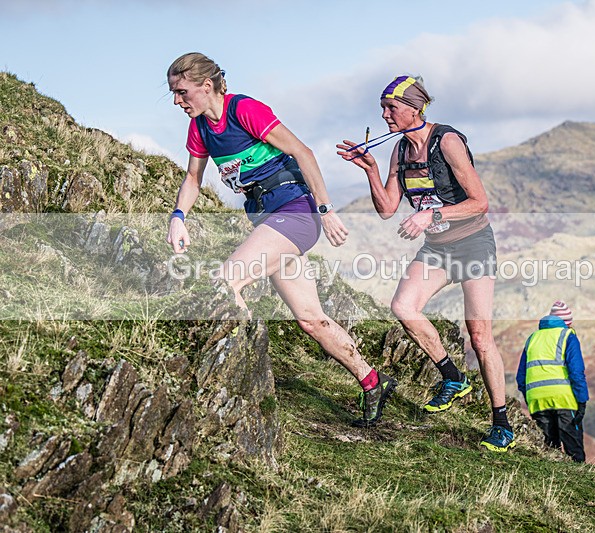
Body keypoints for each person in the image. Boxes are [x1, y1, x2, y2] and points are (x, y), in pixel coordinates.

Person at [165, 52, 396, 428]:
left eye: (181, 92)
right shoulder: (199, 128)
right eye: (174, 94)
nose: (177, 101)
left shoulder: (244, 110)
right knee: (311, 320)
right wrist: (178, 217)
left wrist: (326, 209)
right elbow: (193, 178)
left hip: (296, 211)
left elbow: (302, 152)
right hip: (268, 219)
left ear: (206, 86)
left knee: (225, 283)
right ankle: (373, 381)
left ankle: (238, 382)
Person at [336, 75, 515, 452]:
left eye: (391, 107)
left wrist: (429, 215)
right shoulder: (399, 151)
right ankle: (453, 377)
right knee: (403, 306)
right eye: (382, 108)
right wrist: (370, 169)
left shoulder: (446, 141)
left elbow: (479, 202)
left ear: (414, 108)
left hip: (473, 244)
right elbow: (387, 208)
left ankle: (501, 424)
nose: (385, 115)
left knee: (480, 336)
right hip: (437, 249)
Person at [516, 301, 589, 462]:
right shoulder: (567, 336)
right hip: (564, 399)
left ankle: (550, 477)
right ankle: (578, 475)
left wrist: (530, 399)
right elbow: (576, 372)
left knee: (548, 451)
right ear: (567, 323)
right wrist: (582, 401)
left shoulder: (532, 339)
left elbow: (521, 377)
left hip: (537, 400)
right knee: (573, 448)